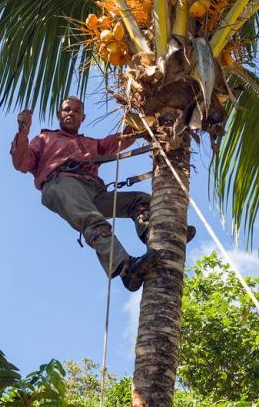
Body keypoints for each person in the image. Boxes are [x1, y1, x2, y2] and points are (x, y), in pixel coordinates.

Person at [10, 96, 194, 291]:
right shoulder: (45, 139)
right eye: (66, 110)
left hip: (93, 191)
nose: (71, 113)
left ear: (83, 117)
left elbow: (122, 140)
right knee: (93, 221)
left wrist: (142, 116)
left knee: (139, 200)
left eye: (76, 111)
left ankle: (153, 234)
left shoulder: (92, 144)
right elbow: (21, 162)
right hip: (61, 183)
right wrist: (23, 130)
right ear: (59, 115)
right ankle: (126, 269)